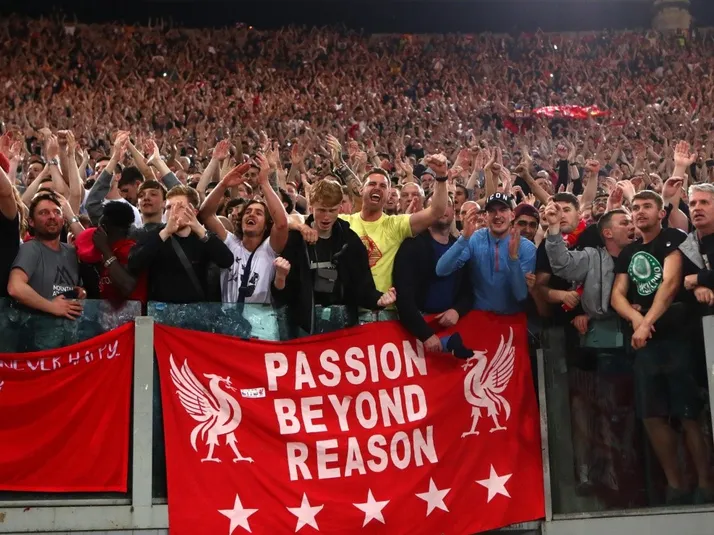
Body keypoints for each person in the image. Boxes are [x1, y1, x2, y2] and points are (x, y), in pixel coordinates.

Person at [610, 190, 711, 504]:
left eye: (647, 206)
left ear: (661, 212)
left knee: (688, 413)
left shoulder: (674, 238)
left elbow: (670, 283)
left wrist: (645, 322)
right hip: (647, 343)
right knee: (652, 416)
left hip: (678, 337)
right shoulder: (628, 252)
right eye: (635, 207)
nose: (640, 212)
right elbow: (617, 295)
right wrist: (636, 320)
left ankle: (706, 484)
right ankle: (676, 485)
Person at [272, 179, 396, 335]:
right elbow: (282, 296)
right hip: (303, 329)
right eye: (321, 210)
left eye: (332, 210)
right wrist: (280, 277)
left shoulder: (349, 240)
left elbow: (363, 287)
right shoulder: (296, 240)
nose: (326, 217)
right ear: (311, 207)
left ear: (340, 208)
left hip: (343, 328)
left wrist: (379, 300)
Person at [338, 154, 448, 293]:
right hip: (348, 305)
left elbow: (436, 211)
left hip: (384, 305)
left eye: (383, 186)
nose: (377, 188)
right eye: (372, 184)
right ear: (361, 190)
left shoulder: (395, 225)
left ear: (388, 193)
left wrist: (441, 176)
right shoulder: (343, 222)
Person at [198, 155, 289, 304]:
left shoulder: (270, 249)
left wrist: (264, 183)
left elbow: (282, 224)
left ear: (267, 225)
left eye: (259, 213)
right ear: (241, 221)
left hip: (261, 319)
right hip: (228, 318)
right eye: (248, 212)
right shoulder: (230, 243)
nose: (251, 214)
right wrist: (223, 184)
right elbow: (206, 215)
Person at [128, 185, 234, 303]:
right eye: (169, 207)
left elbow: (226, 261)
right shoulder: (153, 234)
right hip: (161, 310)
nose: (172, 212)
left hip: (196, 310)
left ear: (193, 212)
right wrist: (166, 232)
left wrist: (199, 228)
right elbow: (134, 264)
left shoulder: (203, 237)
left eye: (179, 207)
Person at [393, 196, 472, 352]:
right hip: (417, 330)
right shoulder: (412, 245)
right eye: (437, 204)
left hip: (452, 326)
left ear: (454, 212)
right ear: (427, 212)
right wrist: (425, 333)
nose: (443, 208)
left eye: (447, 204)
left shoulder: (461, 246)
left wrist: (457, 310)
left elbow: (468, 290)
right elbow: (403, 295)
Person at [436, 192, 536, 314]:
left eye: (503, 210)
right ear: (485, 216)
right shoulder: (475, 238)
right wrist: (464, 239)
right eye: (492, 211)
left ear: (512, 215)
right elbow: (441, 270)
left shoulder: (527, 248)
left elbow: (521, 295)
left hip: (513, 316)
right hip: (479, 315)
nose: (497, 215)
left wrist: (513, 259)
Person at [7, 192, 85, 317]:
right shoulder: (31, 249)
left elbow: (75, 286)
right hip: (37, 325)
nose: (52, 216)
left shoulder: (71, 251)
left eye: (57, 212)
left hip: (68, 326)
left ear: (63, 220)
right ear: (31, 222)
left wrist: (81, 291)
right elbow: (15, 287)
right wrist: (52, 306)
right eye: (44, 213)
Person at [75, 201, 147, 306]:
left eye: (99, 227)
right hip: (108, 314)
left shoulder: (129, 251)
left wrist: (105, 250)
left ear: (104, 227)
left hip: (134, 314)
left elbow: (128, 287)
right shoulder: (107, 252)